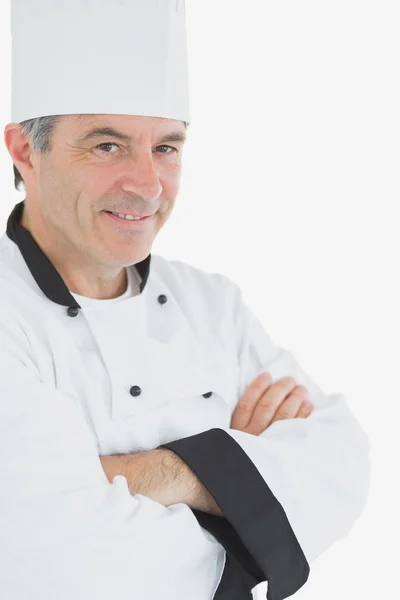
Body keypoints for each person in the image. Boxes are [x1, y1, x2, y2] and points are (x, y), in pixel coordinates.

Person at [0, 1, 371, 599]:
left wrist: (160, 474)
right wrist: (245, 494)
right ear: (24, 150)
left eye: (167, 147)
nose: (146, 184)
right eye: (106, 146)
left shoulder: (211, 304)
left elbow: (344, 463)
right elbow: (60, 561)